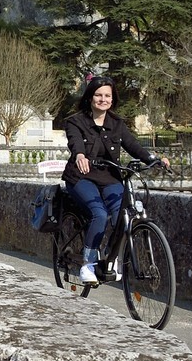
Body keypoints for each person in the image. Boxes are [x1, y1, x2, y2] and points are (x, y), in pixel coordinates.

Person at [61, 76, 169, 284]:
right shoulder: (75, 121)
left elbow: (133, 145)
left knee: (124, 213)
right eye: (98, 95)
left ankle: (112, 258)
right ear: (90, 97)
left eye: (107, 96)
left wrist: (153, 159)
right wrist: (80, 156)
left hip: (110, 176)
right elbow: (76, 144)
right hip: (81, 177)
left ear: (112, 99)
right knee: (99, 214)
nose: (103, 99)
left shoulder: (116, 124)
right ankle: (88, 264)